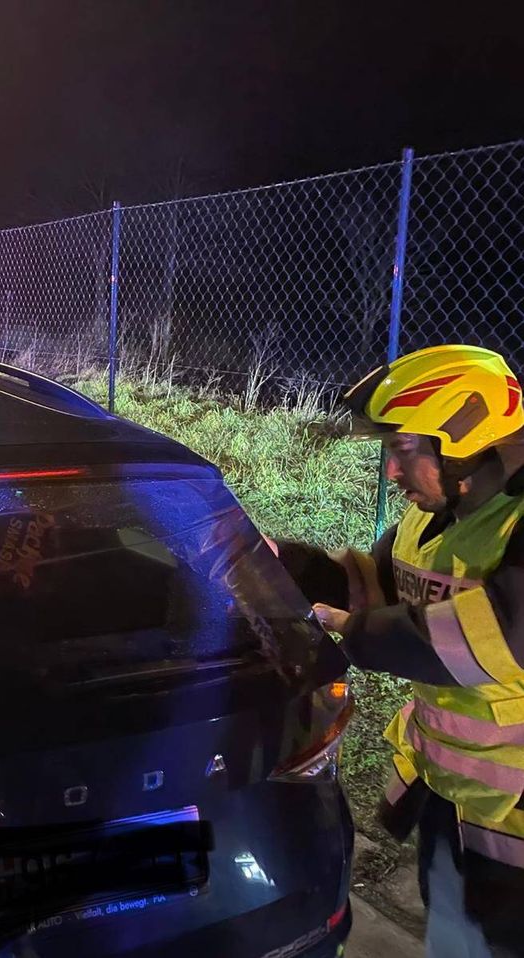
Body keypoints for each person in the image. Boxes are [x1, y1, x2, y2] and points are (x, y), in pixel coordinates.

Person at [268, 345, 524, 956]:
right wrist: (278, 563)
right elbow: (372, 584)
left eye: (406, 449)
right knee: (455, 940)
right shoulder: (430, 518)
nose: (391, 472)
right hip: (457, 803)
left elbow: (495, 638)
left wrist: (350, 631)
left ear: (465, 441)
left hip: (515, 827)